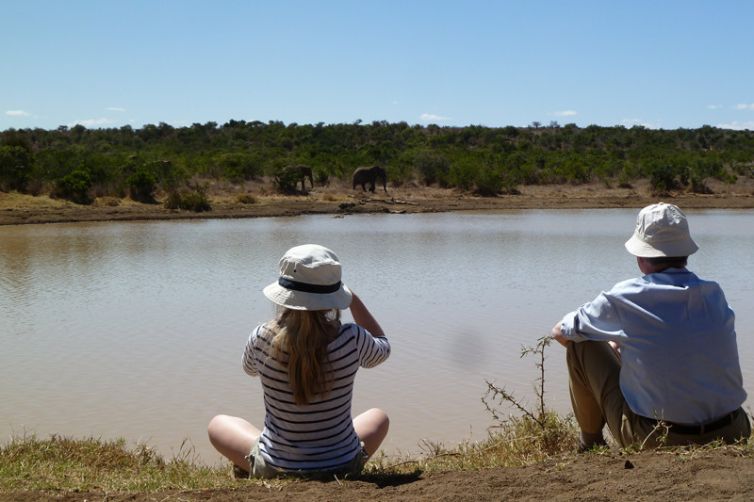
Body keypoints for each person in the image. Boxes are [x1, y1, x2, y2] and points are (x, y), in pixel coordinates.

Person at [551, 202, 749, 451]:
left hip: (659, 437)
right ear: (685, 253)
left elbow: (560, 332)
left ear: (640, 256)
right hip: (733, 431)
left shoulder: (627, 295)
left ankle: (589, 445)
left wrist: (616, 347)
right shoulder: (713, 293)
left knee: (581, 345)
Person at [208, 244, 391, 478]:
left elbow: (249, 369)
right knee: (379, 416)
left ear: (284, 294)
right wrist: (353, 299)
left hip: (276, 469)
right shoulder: (352, 338)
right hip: (344, 467)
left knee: (218, 424)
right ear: (334, 296)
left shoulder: (262, 337)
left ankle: (263, 460)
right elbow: (383, 345)